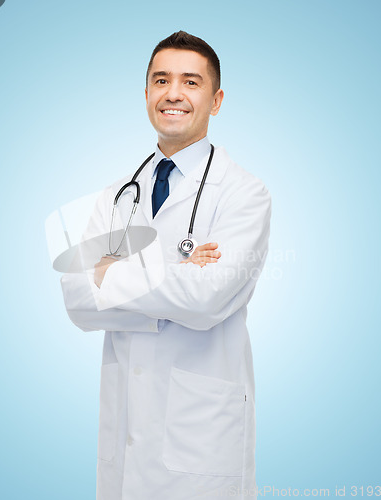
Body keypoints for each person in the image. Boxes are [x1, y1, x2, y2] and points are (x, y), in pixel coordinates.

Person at [60, 31, 272, 500]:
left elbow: (207, 299)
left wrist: (110, 272)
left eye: (191, 82)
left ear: (215, 101)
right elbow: (77, 301)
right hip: (125, 435)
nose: (173, 93)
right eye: (161, 80)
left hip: (202, 442)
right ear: (147, 95)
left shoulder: (244, 193)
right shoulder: (118, 194)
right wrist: (177, 275)